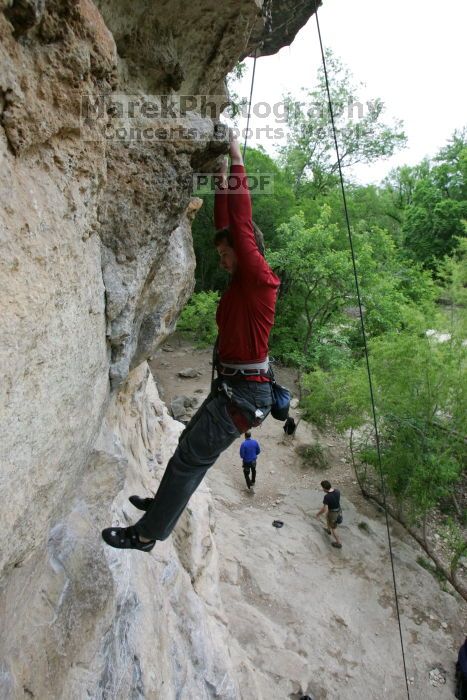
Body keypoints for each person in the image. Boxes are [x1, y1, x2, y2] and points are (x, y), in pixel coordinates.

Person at [102, 131, 280, 551]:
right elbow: (227, 226)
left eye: (224, 254)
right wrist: (221, 178)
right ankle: (163, 504)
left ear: (244, 251)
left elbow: (239, 225)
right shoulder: (243, 279)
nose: (220, 260)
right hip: (237, 389)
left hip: (243, 394)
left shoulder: (259, 281)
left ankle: (147, 534)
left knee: (189, 459)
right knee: (188, 448)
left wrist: (236, 159)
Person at [316, 480, 342, 549]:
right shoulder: (337, 491)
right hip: (338, 510)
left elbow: (324, 509)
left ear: (324, 488)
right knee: (327, 517)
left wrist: (318, 514)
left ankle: (338, 543)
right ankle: (328, 529)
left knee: (334, 528)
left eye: (322, 488)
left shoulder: (327, 497)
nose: (322, 489)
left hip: (333, 513)